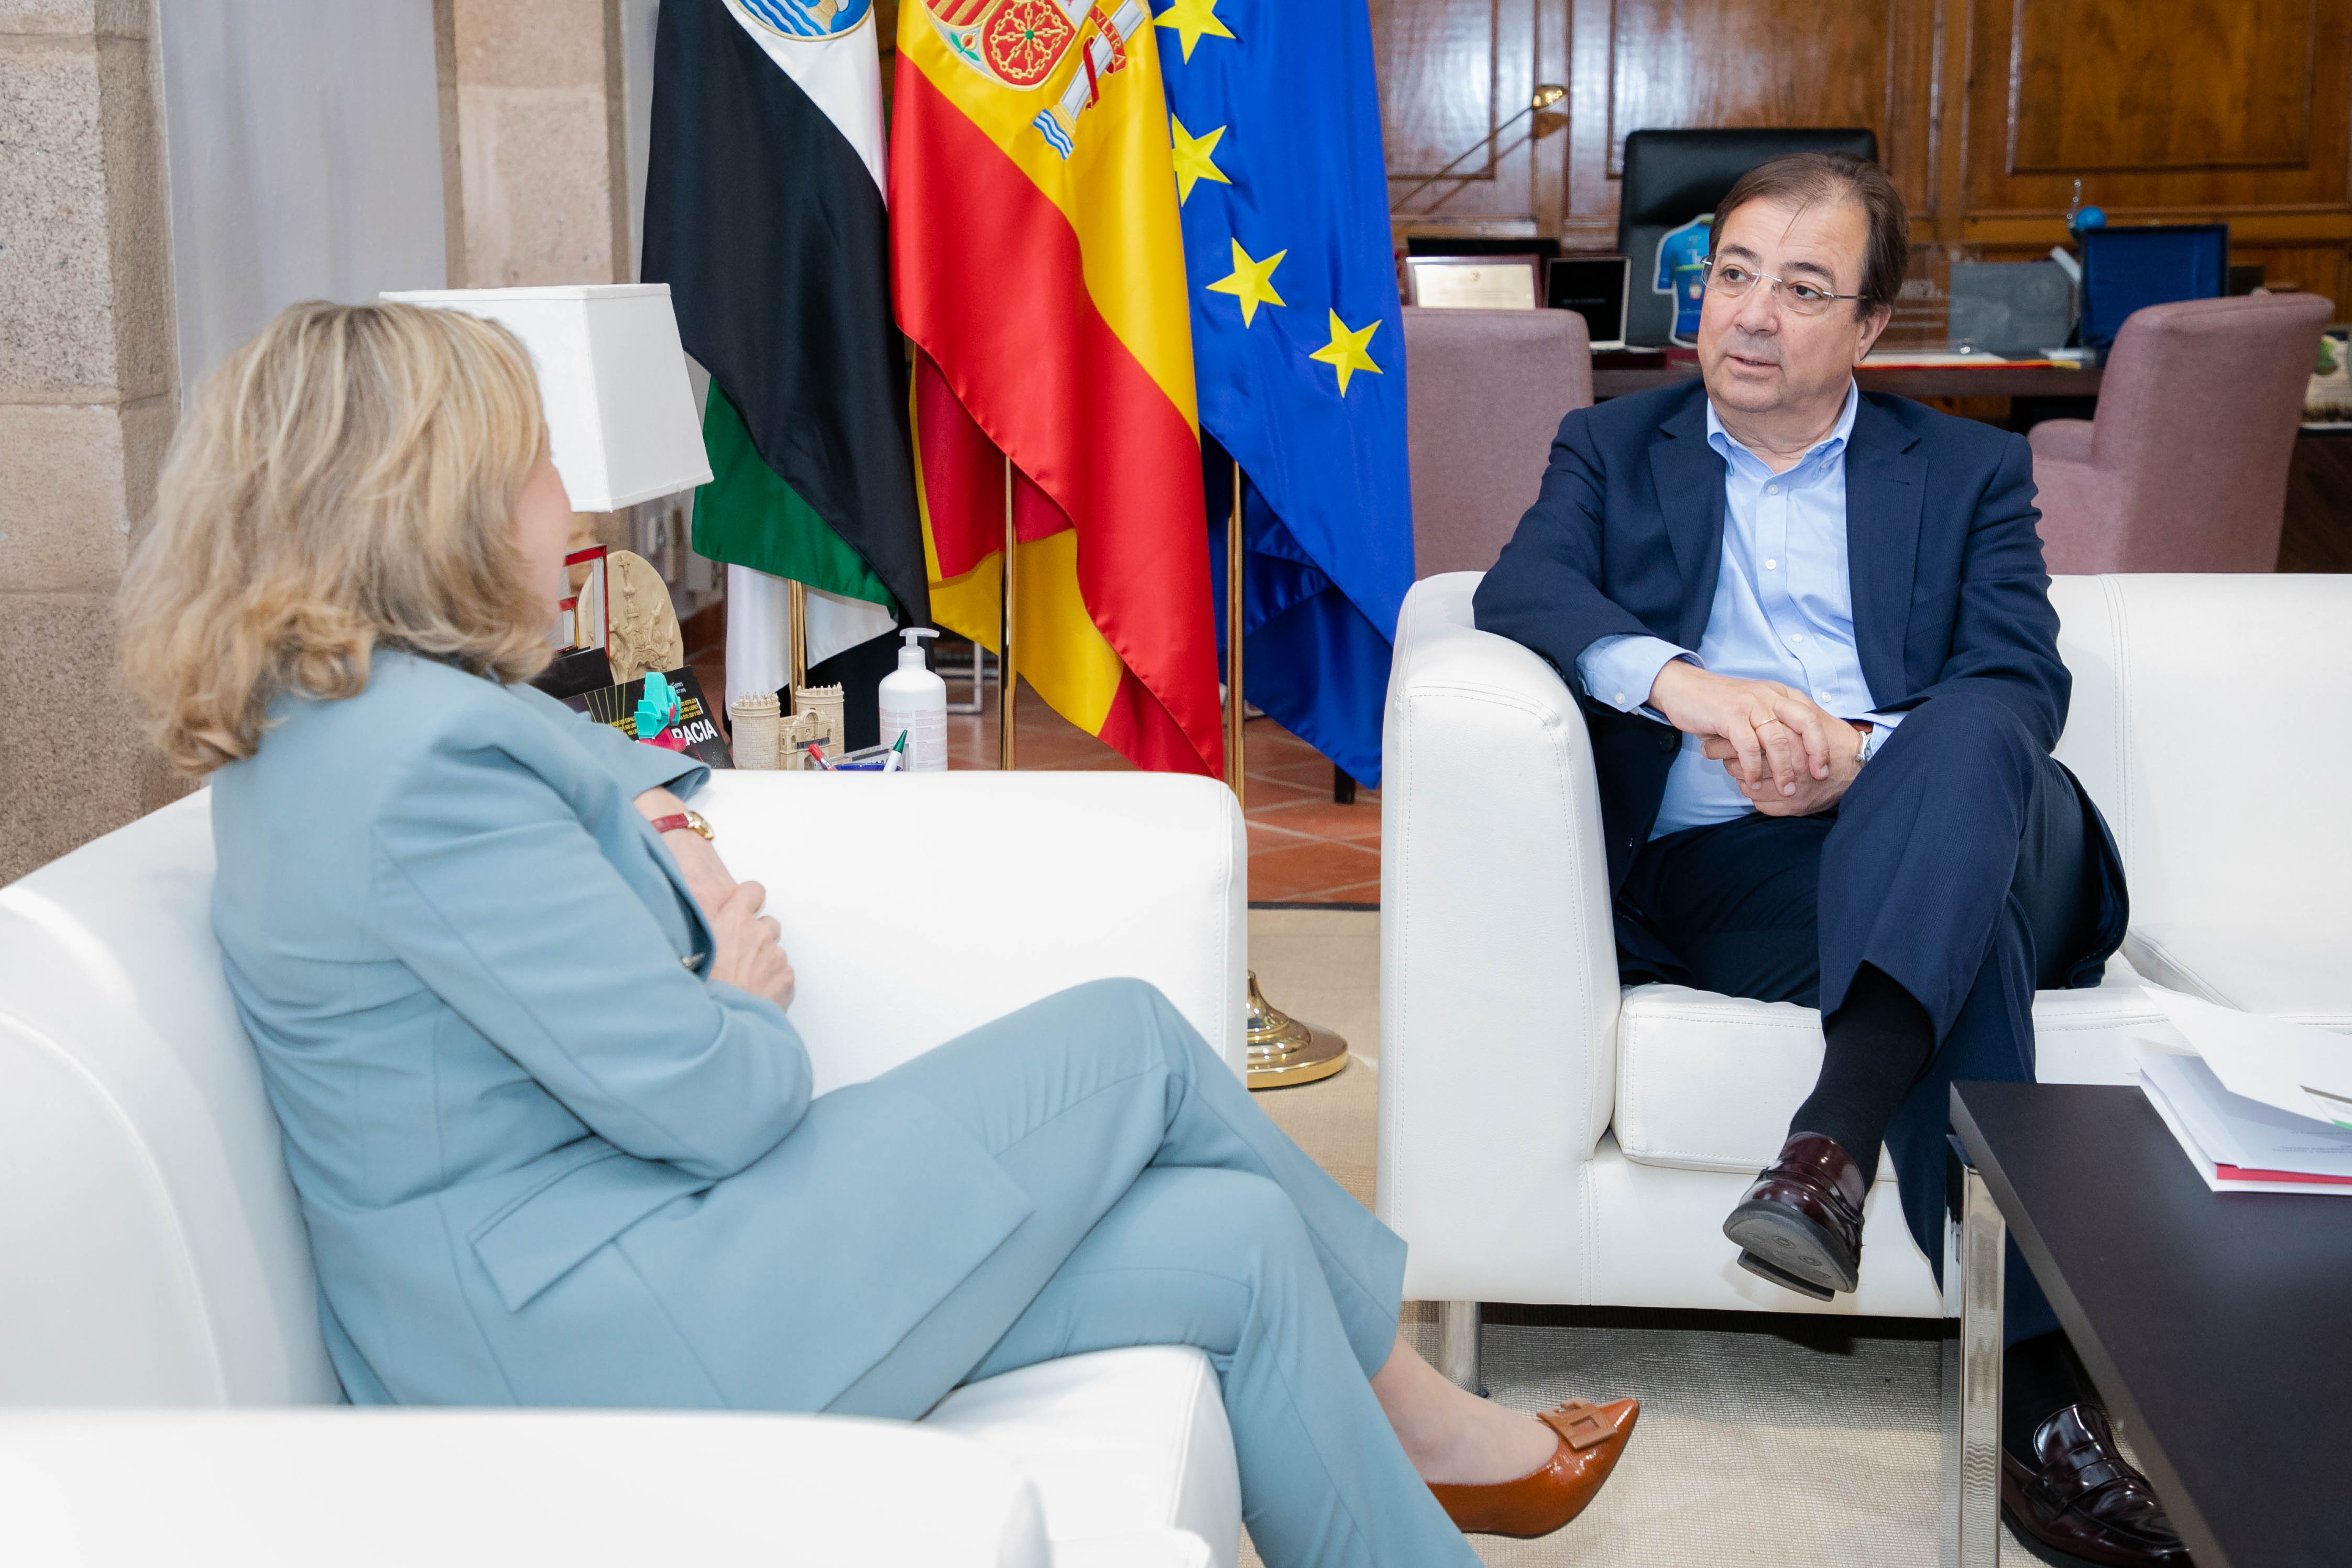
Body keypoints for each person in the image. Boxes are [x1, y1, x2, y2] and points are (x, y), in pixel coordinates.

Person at [115, 301, 1635, 1567]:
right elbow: (716, 1103)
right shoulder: (422, 767)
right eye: (533, 462)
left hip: (604, 1282)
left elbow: (607, 770)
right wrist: (735, 977)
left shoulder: (351, 725)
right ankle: (1426, 1419)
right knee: (1124, 1041)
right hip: (593, 1340)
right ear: (426, 501)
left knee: (1232, 1242)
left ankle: (1422, 1488)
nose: (565, 496)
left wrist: (674, 837)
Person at [1474, 154, 2186, 1568]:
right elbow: (1523, 590)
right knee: (1952, 926)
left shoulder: (1969, 466)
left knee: (1974, 733)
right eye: (1729, 274)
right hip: (1737, 872)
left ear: (1863, 329)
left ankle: (1830, 1143)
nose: (1747, 314)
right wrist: (1694, 690)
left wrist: (1859, 758)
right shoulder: (1612, 449)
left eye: (1800, 289)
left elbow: (2016, 676)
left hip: (1975, 814)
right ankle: (2033, 1398)